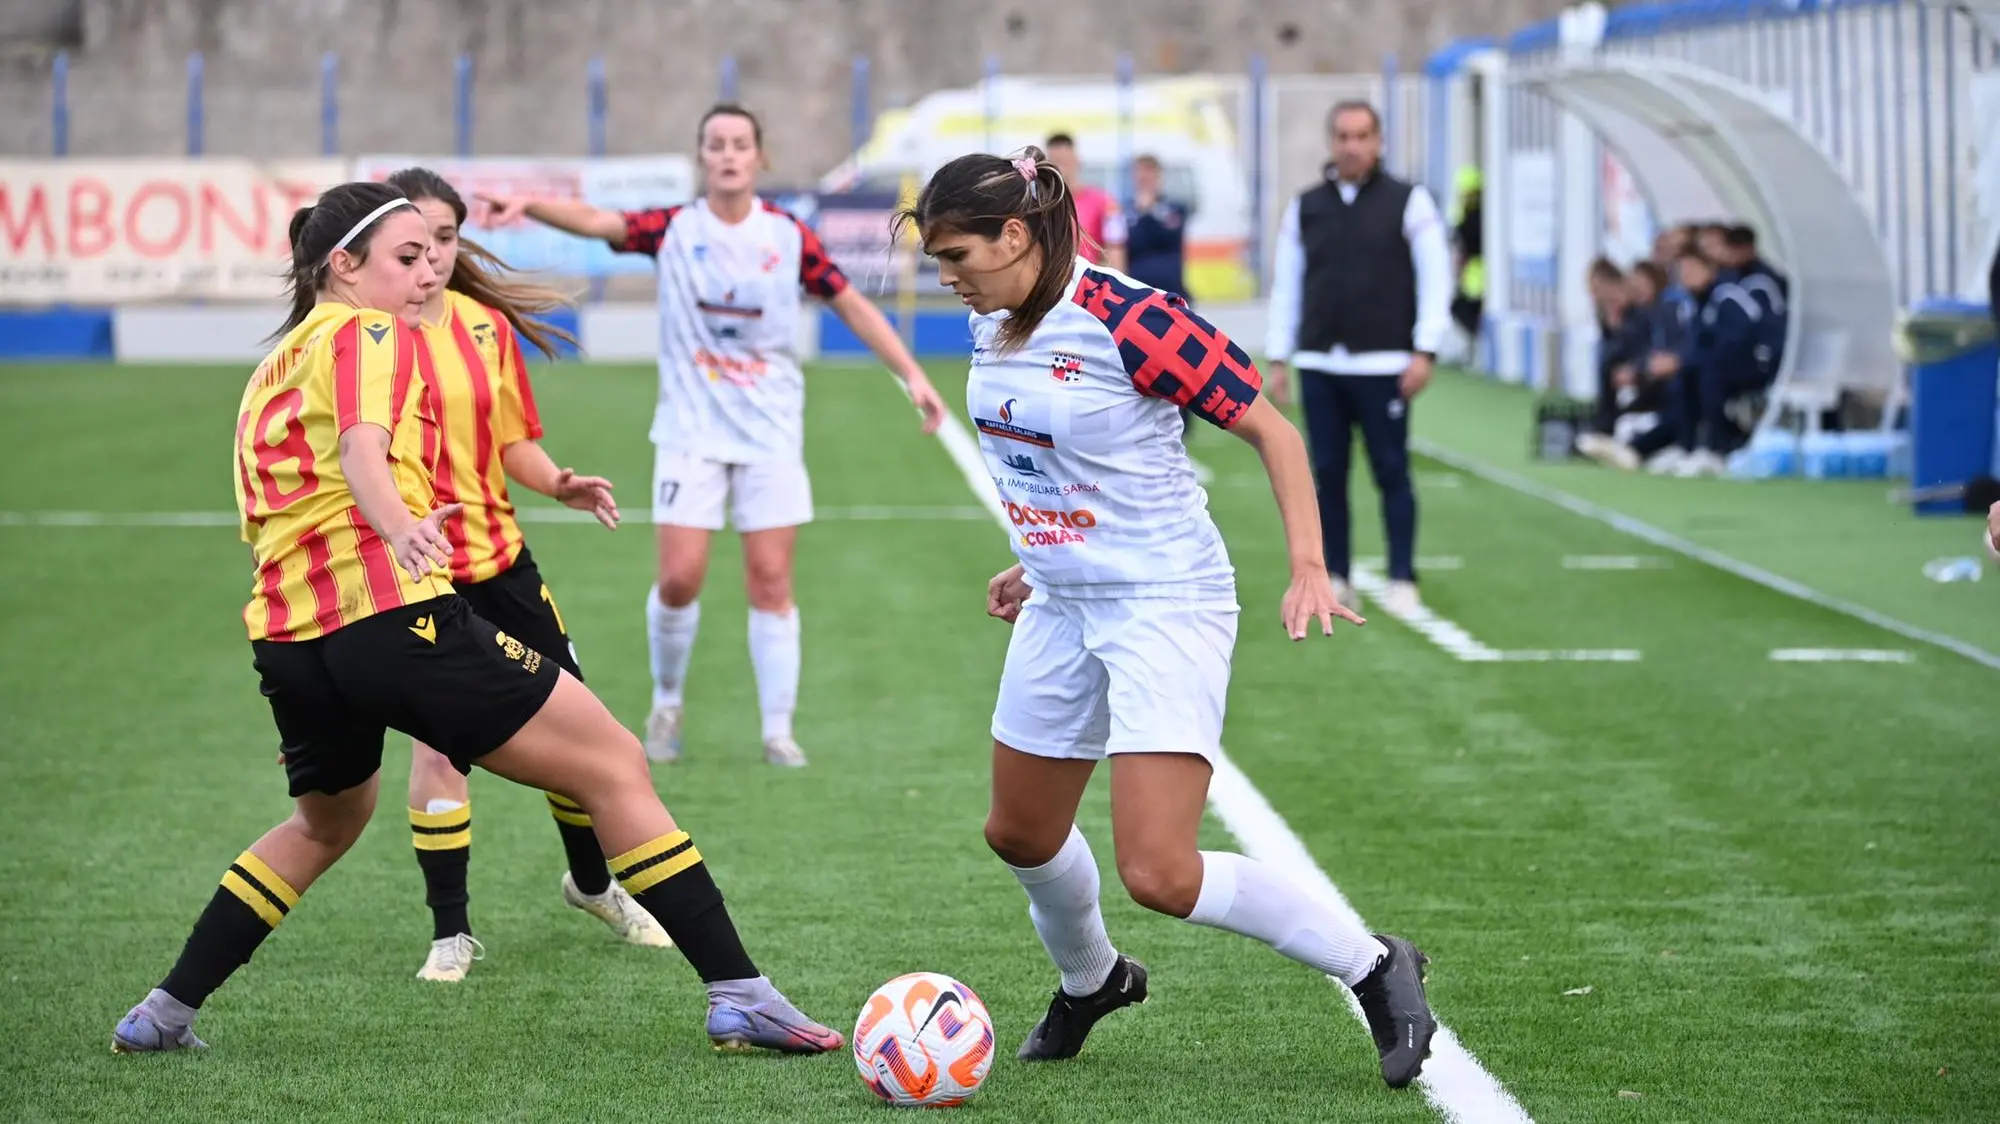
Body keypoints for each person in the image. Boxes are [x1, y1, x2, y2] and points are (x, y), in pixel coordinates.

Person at [112, 180, 841, 1057]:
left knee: (323, 824)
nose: (426, 274)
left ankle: (163, 1013)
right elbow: (363, 448)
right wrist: (399, 527)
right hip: (391, 614)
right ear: (343, 265)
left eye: (433, 254)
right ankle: (740, 994)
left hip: (290, 640)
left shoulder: (272, 367)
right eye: (406, 257)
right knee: (612, 759)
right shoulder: (366, 331)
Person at [899, 147, 1438, 1091]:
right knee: (1019, 832)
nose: (947, 278)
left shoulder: (1135, 319)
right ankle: (1095, 980)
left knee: (1160, 872)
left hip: (1163, 601)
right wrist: (1038, 556)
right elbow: (1049, 454)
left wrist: (1309, 566)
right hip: (1062, 597)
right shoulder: (995, 318)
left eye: (956, 256)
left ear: (1015, 236)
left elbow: (1274, 431)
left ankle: (1374, 964)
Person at [478, 104, 947, 769]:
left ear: (760, 157)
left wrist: (911, 374)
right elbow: (599, 221)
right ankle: (667, 701)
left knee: (771, 578)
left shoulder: (788, 235)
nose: (728, 154)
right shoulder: (675, 228)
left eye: (740, 144)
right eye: (717, 144)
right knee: (679, 580)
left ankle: (778, 730)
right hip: (689, 433)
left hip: (770, 433)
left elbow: (848, 300)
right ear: (702, 156)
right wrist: (528, 204)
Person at [383, 166, 671, 983]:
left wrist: (558, 482)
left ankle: (592, 886)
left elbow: (511, 441)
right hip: (422, 573)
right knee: (440, 749)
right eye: (415, 245)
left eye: (446, 239)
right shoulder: (365, 340)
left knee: (577, 730)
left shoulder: (484, 327)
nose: (433, 258)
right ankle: (450, 933)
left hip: (504, 562)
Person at [1264, 100, 1453, 616]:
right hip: (1321, 363)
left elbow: (1435, 276)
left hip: (1385, 364)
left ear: (1379, 141)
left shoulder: (1409, 202)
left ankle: (1402, 577)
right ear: (1332, 142)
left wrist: (1425, 348)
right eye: (1344, 136)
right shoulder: (1305, 207)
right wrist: (1279, 356)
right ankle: (1338, 575)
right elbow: (1288, 283)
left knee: (1391, 471)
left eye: (1362, 136)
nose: (1352, 146)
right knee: (1327, 474)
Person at [1044, 132, 1128, 271]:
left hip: (1086, 280)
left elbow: (1116, 247)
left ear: (1078, 161)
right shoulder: (1039, 204)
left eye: (1065, 162)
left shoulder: (1105, 202)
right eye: (1055, 162)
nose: (1061, 169)